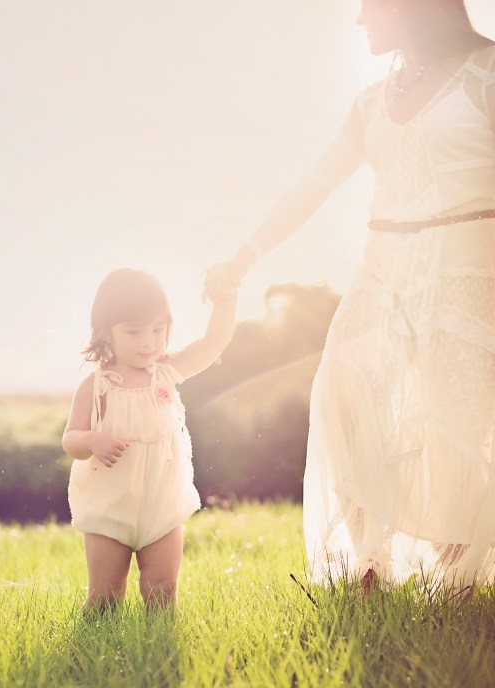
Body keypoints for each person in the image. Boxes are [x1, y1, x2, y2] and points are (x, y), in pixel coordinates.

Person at [205, 0, 495, 591]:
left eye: (368, 8)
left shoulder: (485, 74)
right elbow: (313, 185)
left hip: (466, 263)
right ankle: (369, 561)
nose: (360, 21)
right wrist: (244, 256)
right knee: (345, 382)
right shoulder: (371, 101)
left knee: (454, 419)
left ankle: (459, 577)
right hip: (382, 264)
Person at [62, 267, 238, 609]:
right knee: (105, 595)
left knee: (163, 588)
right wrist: (93, 441)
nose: (148, 342)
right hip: (110, 505)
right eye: (134, 331)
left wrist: (225, 303)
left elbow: (213, 343)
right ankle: (96, 640)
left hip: (162, 503)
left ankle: (159, 641)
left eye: (158, 330)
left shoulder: (166, 371)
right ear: (106, 332)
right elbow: (71, 439)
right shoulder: (97, 385)